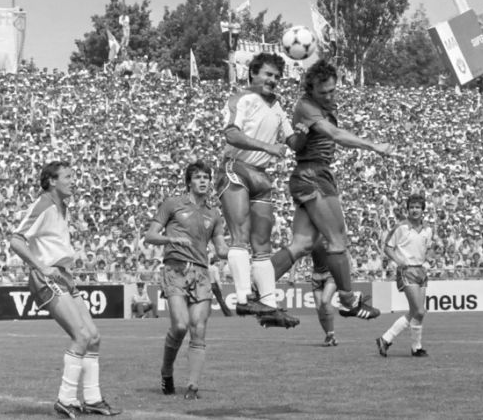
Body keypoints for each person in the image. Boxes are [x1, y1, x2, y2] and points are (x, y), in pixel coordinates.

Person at [268, 59, 394, 321]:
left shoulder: (319, 105)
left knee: (302, 244)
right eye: (322, 92)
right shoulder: (306, 105)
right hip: (314, 175)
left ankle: (258, 287)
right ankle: (348, 300)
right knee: (337, 241)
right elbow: (334, 134)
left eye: (332, 91)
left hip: (308, 175)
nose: (328, 96)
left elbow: (302, 142)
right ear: (310, 90)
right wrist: (373, 146)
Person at [9, 161, 121, 418]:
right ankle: (66, 399)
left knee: (93, 336)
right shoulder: (44, 204)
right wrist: (42, 267)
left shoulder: (62, 206)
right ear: (51, 181)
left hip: (64, 276)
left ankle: (92, 399)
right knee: (81, 335)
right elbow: (16, 240)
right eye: (68, 177)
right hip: (48, 277)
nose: (73, 181)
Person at [216, 52, 300, 327]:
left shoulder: (278, 106)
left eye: (276, 76)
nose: (273, 80)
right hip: (237, 168)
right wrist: (267, 147)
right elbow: (231, 134)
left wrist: (310, 130)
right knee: (239, 236)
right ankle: (242, 299)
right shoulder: (241, 99)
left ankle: (269, 304)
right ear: (252, 73)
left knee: (263, 244)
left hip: (262, 176)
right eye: (267, 74)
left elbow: (293, 140)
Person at [145, 161, 228, 400]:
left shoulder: (214, 214)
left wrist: (238, 250)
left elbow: (221, 249)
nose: (204, 181)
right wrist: (172, 240)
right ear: (189, 181)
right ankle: (167, 370)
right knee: (180, 326)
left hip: (201, 272)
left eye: (206, 177)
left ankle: (192, 386)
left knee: (199, 328)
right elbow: (150, 236)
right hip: (175, 270)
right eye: (199, 177)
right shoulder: (172, 204)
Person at [376, 194, 432, 358]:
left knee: (418, 312)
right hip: (407, 270)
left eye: (418, 207)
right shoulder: (401, 227)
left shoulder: (428, 229)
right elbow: (388, 248)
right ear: (407, 210)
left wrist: (429, 260)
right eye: (412, 207)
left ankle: (409, 346)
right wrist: (399, 261)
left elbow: (427, 249)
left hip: (421, 270)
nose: (415, 210)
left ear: (423, 210)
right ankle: (393, 340)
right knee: (418, 310)